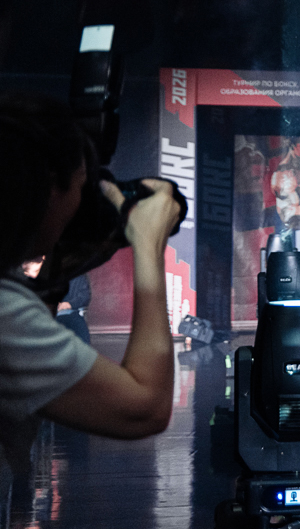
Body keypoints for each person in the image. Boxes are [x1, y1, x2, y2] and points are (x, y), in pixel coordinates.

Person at [0, 94, 182, 500]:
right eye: (82, 188)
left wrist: (57, 268)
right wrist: (148, 244)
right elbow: (144, 409)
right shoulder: (5, 314)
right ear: (50, 190)